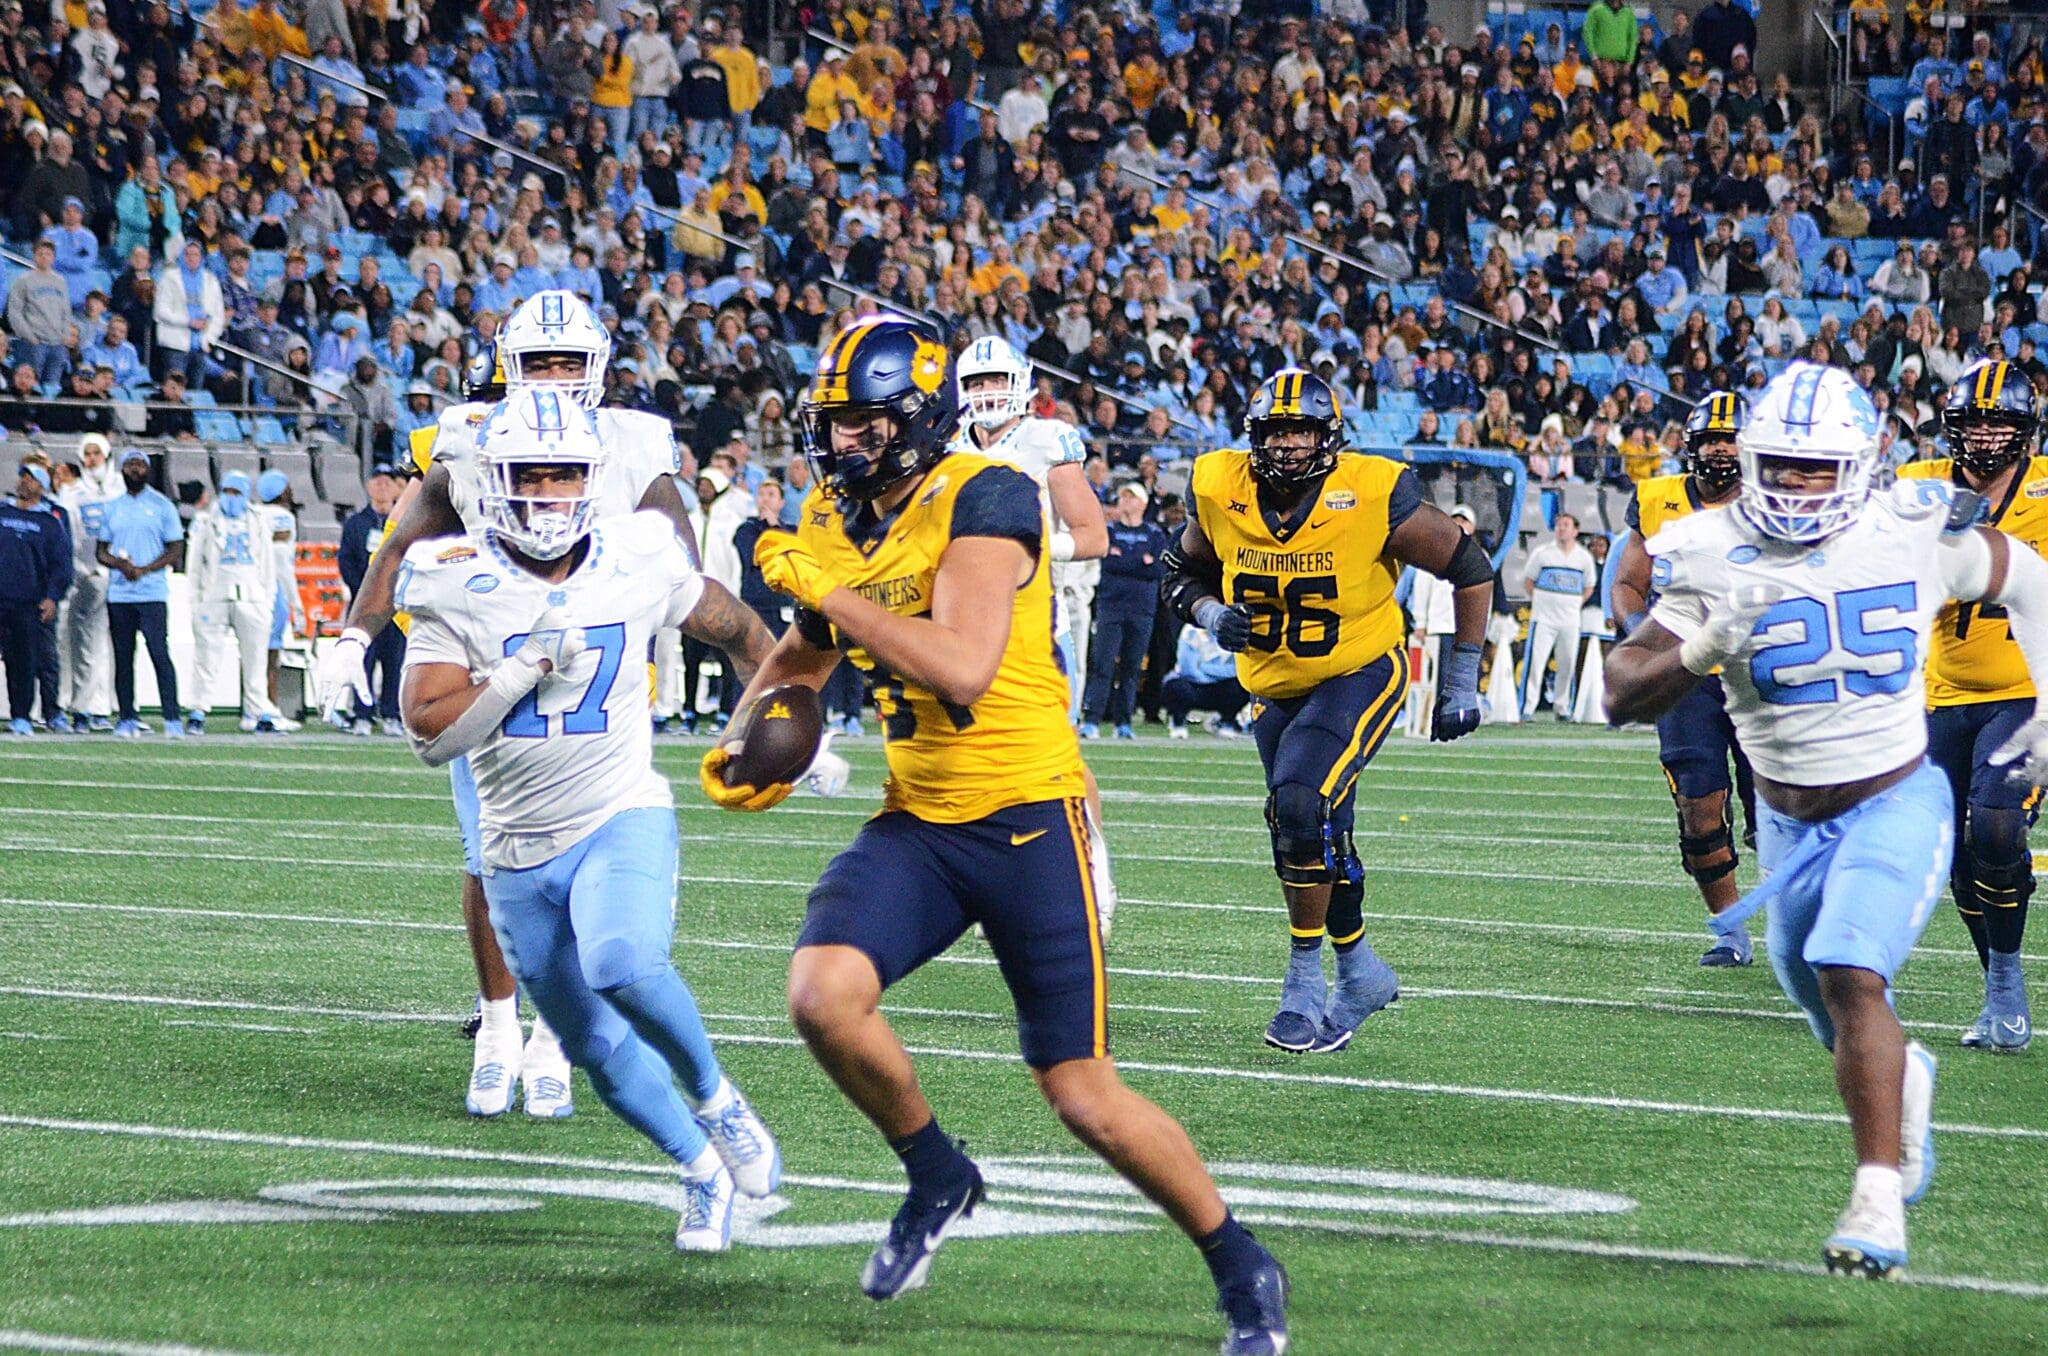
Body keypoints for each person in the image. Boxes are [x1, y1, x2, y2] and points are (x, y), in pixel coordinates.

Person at [701, 318, 1290, 1353]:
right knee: (820, 998)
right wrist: (747, 738)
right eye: (829, 427)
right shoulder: (833, 520)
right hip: (919, 819)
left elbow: (962, 664)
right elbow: (807, 649)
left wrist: (823, 587)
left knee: (1082, 1095)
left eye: (861, 427)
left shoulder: (988, 493)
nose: (839, 447)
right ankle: (936, 1169)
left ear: (918, 420)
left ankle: (1239, 1262)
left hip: (1026, 816)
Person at [1605, 361, 2048, 1278]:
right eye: (1783, 465)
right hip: (1788, 827)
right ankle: (1907, 1078)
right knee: (1818, 995)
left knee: (1849, 969)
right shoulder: (1706, 544)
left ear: (1865, 464)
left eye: (1819, 468)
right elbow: (1617, 694)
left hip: (1896, 796)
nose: (1800, 485)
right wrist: (1703, 643)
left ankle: (1877, 1201)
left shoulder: (1911, 528)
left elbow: (2029, 581)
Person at [316, 298, 780, 1121]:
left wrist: (773, 689)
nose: (560, 380)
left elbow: (678, 563)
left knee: (589, 861)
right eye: (543, 362)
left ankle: (553, 1038)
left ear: (599, 367)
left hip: (597, 679)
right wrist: (353, 637)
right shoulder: (468, 434)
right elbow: (401, 543)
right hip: (492, 669)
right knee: (488, 855)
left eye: (573, 363)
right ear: (507, 364)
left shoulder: (633, 440)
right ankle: (499, 1026)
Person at [397, 389, 781, 1252]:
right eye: (529, 474)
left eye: (565, 473)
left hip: (619, 811)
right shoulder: (453, 575)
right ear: (493, 482)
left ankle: (720, 1100)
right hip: (514, 851)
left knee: (624, 962)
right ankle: (698, 1170)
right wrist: (521, 668)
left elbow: (741, 627)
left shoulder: (638, 552)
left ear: (593, 478)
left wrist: (772, 722)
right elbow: (428, 731)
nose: (548, 492)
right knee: (598, 1052)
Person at [1163, 367, 1493, 1053]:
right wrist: (1209, 610)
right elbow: (1177, 572)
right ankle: (1361, 972)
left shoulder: (1371, 491)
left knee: (1299, 800)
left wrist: (1462, 679)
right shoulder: (1219, 488)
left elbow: (1470, 567)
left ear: (1328, 437)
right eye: (1276, 432)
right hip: (1273, 684)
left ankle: (1303, 984)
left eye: (1301, 431)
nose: (1287, 446)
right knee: (1312, 831)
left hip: (1360, 669)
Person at [1898, 362, 2044, 1050]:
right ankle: (1999, 984)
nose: (1985, 436)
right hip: (1940, 693)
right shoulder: (1917, 488)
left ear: (2025, 433)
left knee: (1993, 827)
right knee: (1953, 852)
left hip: (2027, 691)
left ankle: (2009, 985)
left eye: (1999, 423)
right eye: (1974, 422)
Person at [949, 334, 1117, 925]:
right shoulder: (947, 448)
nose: (987, 393)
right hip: (967, 619)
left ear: (1019, 383)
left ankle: (1093, 865)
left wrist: (1035, 550)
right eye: (976, 383)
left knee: (1058, 753)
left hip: (1041, 619)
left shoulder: (1047, 440)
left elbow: (1095, 536)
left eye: (996, 380)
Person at [1609, 392, 1762, 966]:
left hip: (1761, 673)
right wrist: (1641, 637)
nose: (1720, 450)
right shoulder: (1657, 498)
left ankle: (1808, 935)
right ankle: (1729, 930)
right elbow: (1627, 583)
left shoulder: (1776, 501)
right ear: (1691, 447)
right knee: (1699, 810)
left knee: (1780, 815)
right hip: (1687, 673)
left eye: (1730, 440)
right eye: (1709, 440)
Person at [186, 470, 291, 734]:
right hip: (215, 595)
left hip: (250, 596)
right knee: (207, 658)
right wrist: (196, 603)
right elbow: (195, 565)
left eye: (237, 492)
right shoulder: (206, 520)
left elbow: (267, 565)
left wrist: (266, 602)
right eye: (228, 491)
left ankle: (256, 711)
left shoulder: (257, 521)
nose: (231, 497)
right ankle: (198, 710)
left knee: (256, 660)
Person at [95, 449, 184, 737]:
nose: (135, 470)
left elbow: (175, 549)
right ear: (122, 470)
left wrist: (144, 569)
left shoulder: (162, 505)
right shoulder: (112, 507)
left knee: (159, 652)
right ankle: (126, 717)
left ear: (148, 470)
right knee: (123, 657)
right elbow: (101, 551)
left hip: (152, 592)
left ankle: (172, 717)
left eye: (139, 465)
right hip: (120, 595)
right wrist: (121, 564)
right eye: (130, 465)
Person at [1080, 483, 1168, 739]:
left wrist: (1125, 561)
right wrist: (1139, 562)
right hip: (1111, 606)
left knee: (1131, 667)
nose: (1125, 502)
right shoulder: (1108, 531)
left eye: (1131, 498)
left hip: (1141, 609)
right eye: (1122, 497)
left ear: (1142, 503)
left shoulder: (1153, 533)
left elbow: (1156, 570)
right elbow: (1108, 562)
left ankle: (1124, 722)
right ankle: (1093, 719)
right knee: (1102, 664)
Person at [338, 464, 408, 736]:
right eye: (377, 481)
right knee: (362, 660)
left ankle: (392, 713)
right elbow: (346, 560)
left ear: (395, 487)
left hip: (395, 605)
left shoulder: (404, 521)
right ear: (368, 486)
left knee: (395, 661)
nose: (382, 486)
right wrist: (364, 590)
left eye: (387, 482)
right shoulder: (356, 523)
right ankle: (362, 714)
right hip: (364, 606)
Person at [0, 464, 70, 734]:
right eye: (23, 476)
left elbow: (61, 566)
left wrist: (52, 597)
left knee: (24, 661)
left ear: (42, 487)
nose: (25, 482)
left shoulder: (49, 523)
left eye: (31, 478)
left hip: (27, 602)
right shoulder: (3, 512)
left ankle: (21, 715)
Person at [56, 435, 119, 730]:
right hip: (87, 576)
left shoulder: (121, 488)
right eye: (87, 453)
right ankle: (87, 707)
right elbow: (69, 537)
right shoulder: (73, 493)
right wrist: (81, 571)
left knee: (112, 645)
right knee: (85, 644)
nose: (92, 459)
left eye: (97, 453)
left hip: (119, 577)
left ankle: (106, 706)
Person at [1409, 505, 1479, 736]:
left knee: (1461, 682)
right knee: (1438, 680)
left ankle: (1455, 721)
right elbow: (1421, 588)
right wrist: (1420, 622)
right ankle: (1435, 722)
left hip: (1465, 630)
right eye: (1455, 520)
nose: (1459, 524)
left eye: (1464, 521)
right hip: (1440, 626)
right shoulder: (1433, 550)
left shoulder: (1479, 555)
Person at [1521, 513, 1598, 720]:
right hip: (1544, 618)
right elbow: (1529, 581)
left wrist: (1575, 602)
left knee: (1568, 663)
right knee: (1536, 663)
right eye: (1558, 525)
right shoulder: (1542, 553)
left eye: (1566, 525)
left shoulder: (1583, 558)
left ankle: (1562, 707)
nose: (1561, 529)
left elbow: (1589, 586)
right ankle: (1527, 707)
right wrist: (1540, 600)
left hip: (1570, 620)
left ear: (1575, 530)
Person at [254, 470, 303, 711]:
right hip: (274, 591)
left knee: (254, 653)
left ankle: (254, 706)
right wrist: (296, 603)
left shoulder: (254, 513)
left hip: (254, 589)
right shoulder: (283, 517)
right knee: (272, 655)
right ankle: (270, 708)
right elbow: (282, 562)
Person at [1163, 620, 1249, 738]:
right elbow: (1188, 669)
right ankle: (1178, 721)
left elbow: (1236, 669)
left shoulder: (1234, 631)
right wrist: (1213, 676)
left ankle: (1226, 721)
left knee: (1242, 685)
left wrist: (1204, 668)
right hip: (1194, 684)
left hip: (1222, 685)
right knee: (1175, 686)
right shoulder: (1191, 631)